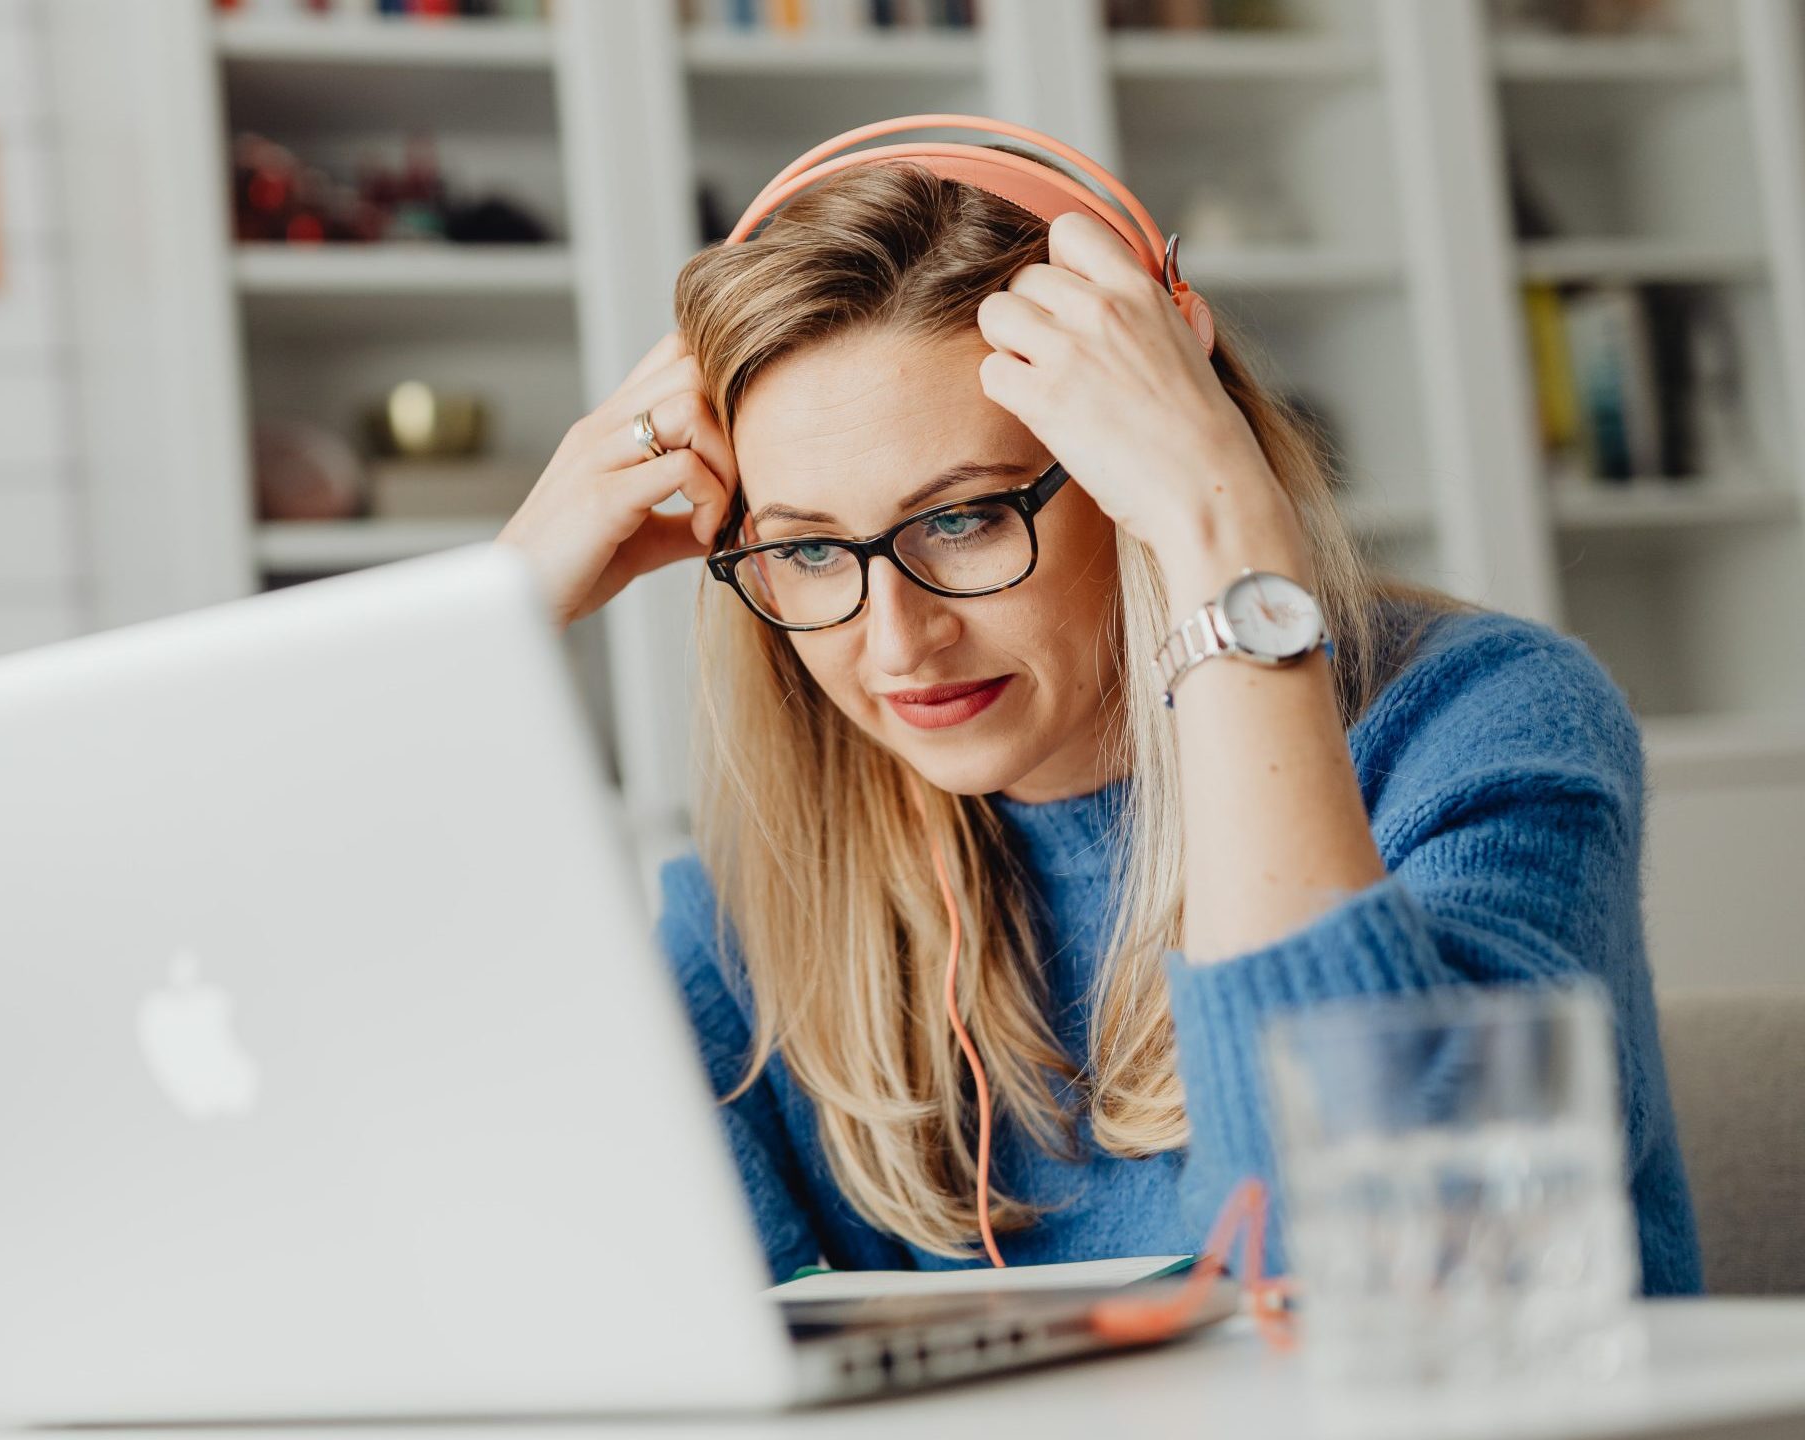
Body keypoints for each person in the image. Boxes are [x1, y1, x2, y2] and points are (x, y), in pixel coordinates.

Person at [494, 161, 1702, 1292]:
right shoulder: (757, 915)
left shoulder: (1479, 724)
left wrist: (1223, 532)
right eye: (810, 549)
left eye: (963, 520)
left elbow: (1393, 1280)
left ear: (1139, 472)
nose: (895, 638)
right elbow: (570, 1307)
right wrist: (484, 639)